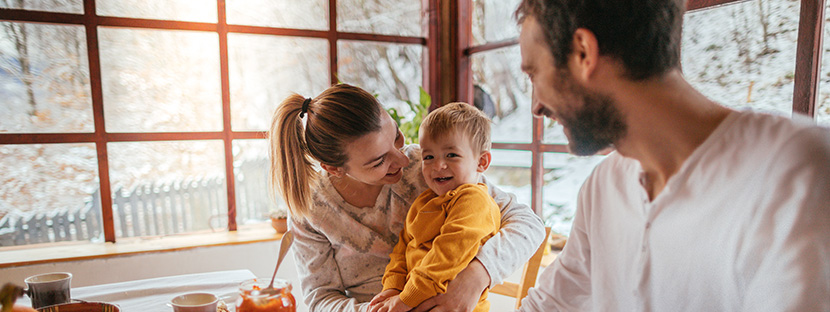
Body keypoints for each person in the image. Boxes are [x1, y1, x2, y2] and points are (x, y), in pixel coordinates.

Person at [514, 0, 830, 311]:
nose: (536, 107)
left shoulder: (797, 176)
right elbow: (551, 304)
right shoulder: (601, 188)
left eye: (533, 74)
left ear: (583, 52)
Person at [269, 84, 546, 312]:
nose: (402, 158)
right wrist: (381, 309)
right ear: (334, 168)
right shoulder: (311, 209)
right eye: (379, 161)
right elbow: (321, 299)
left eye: (397, 137)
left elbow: (528, 224)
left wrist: (476, 276)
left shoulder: (430, 167)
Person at [368, 102, 501, 312]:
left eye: (451, 155)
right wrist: (393, 288)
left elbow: (448, 254)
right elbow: (402, 250)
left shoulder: (474, 201)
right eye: (428, 157)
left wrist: (407, 298)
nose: (438, 166)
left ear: (481, 162)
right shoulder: (424, 201)